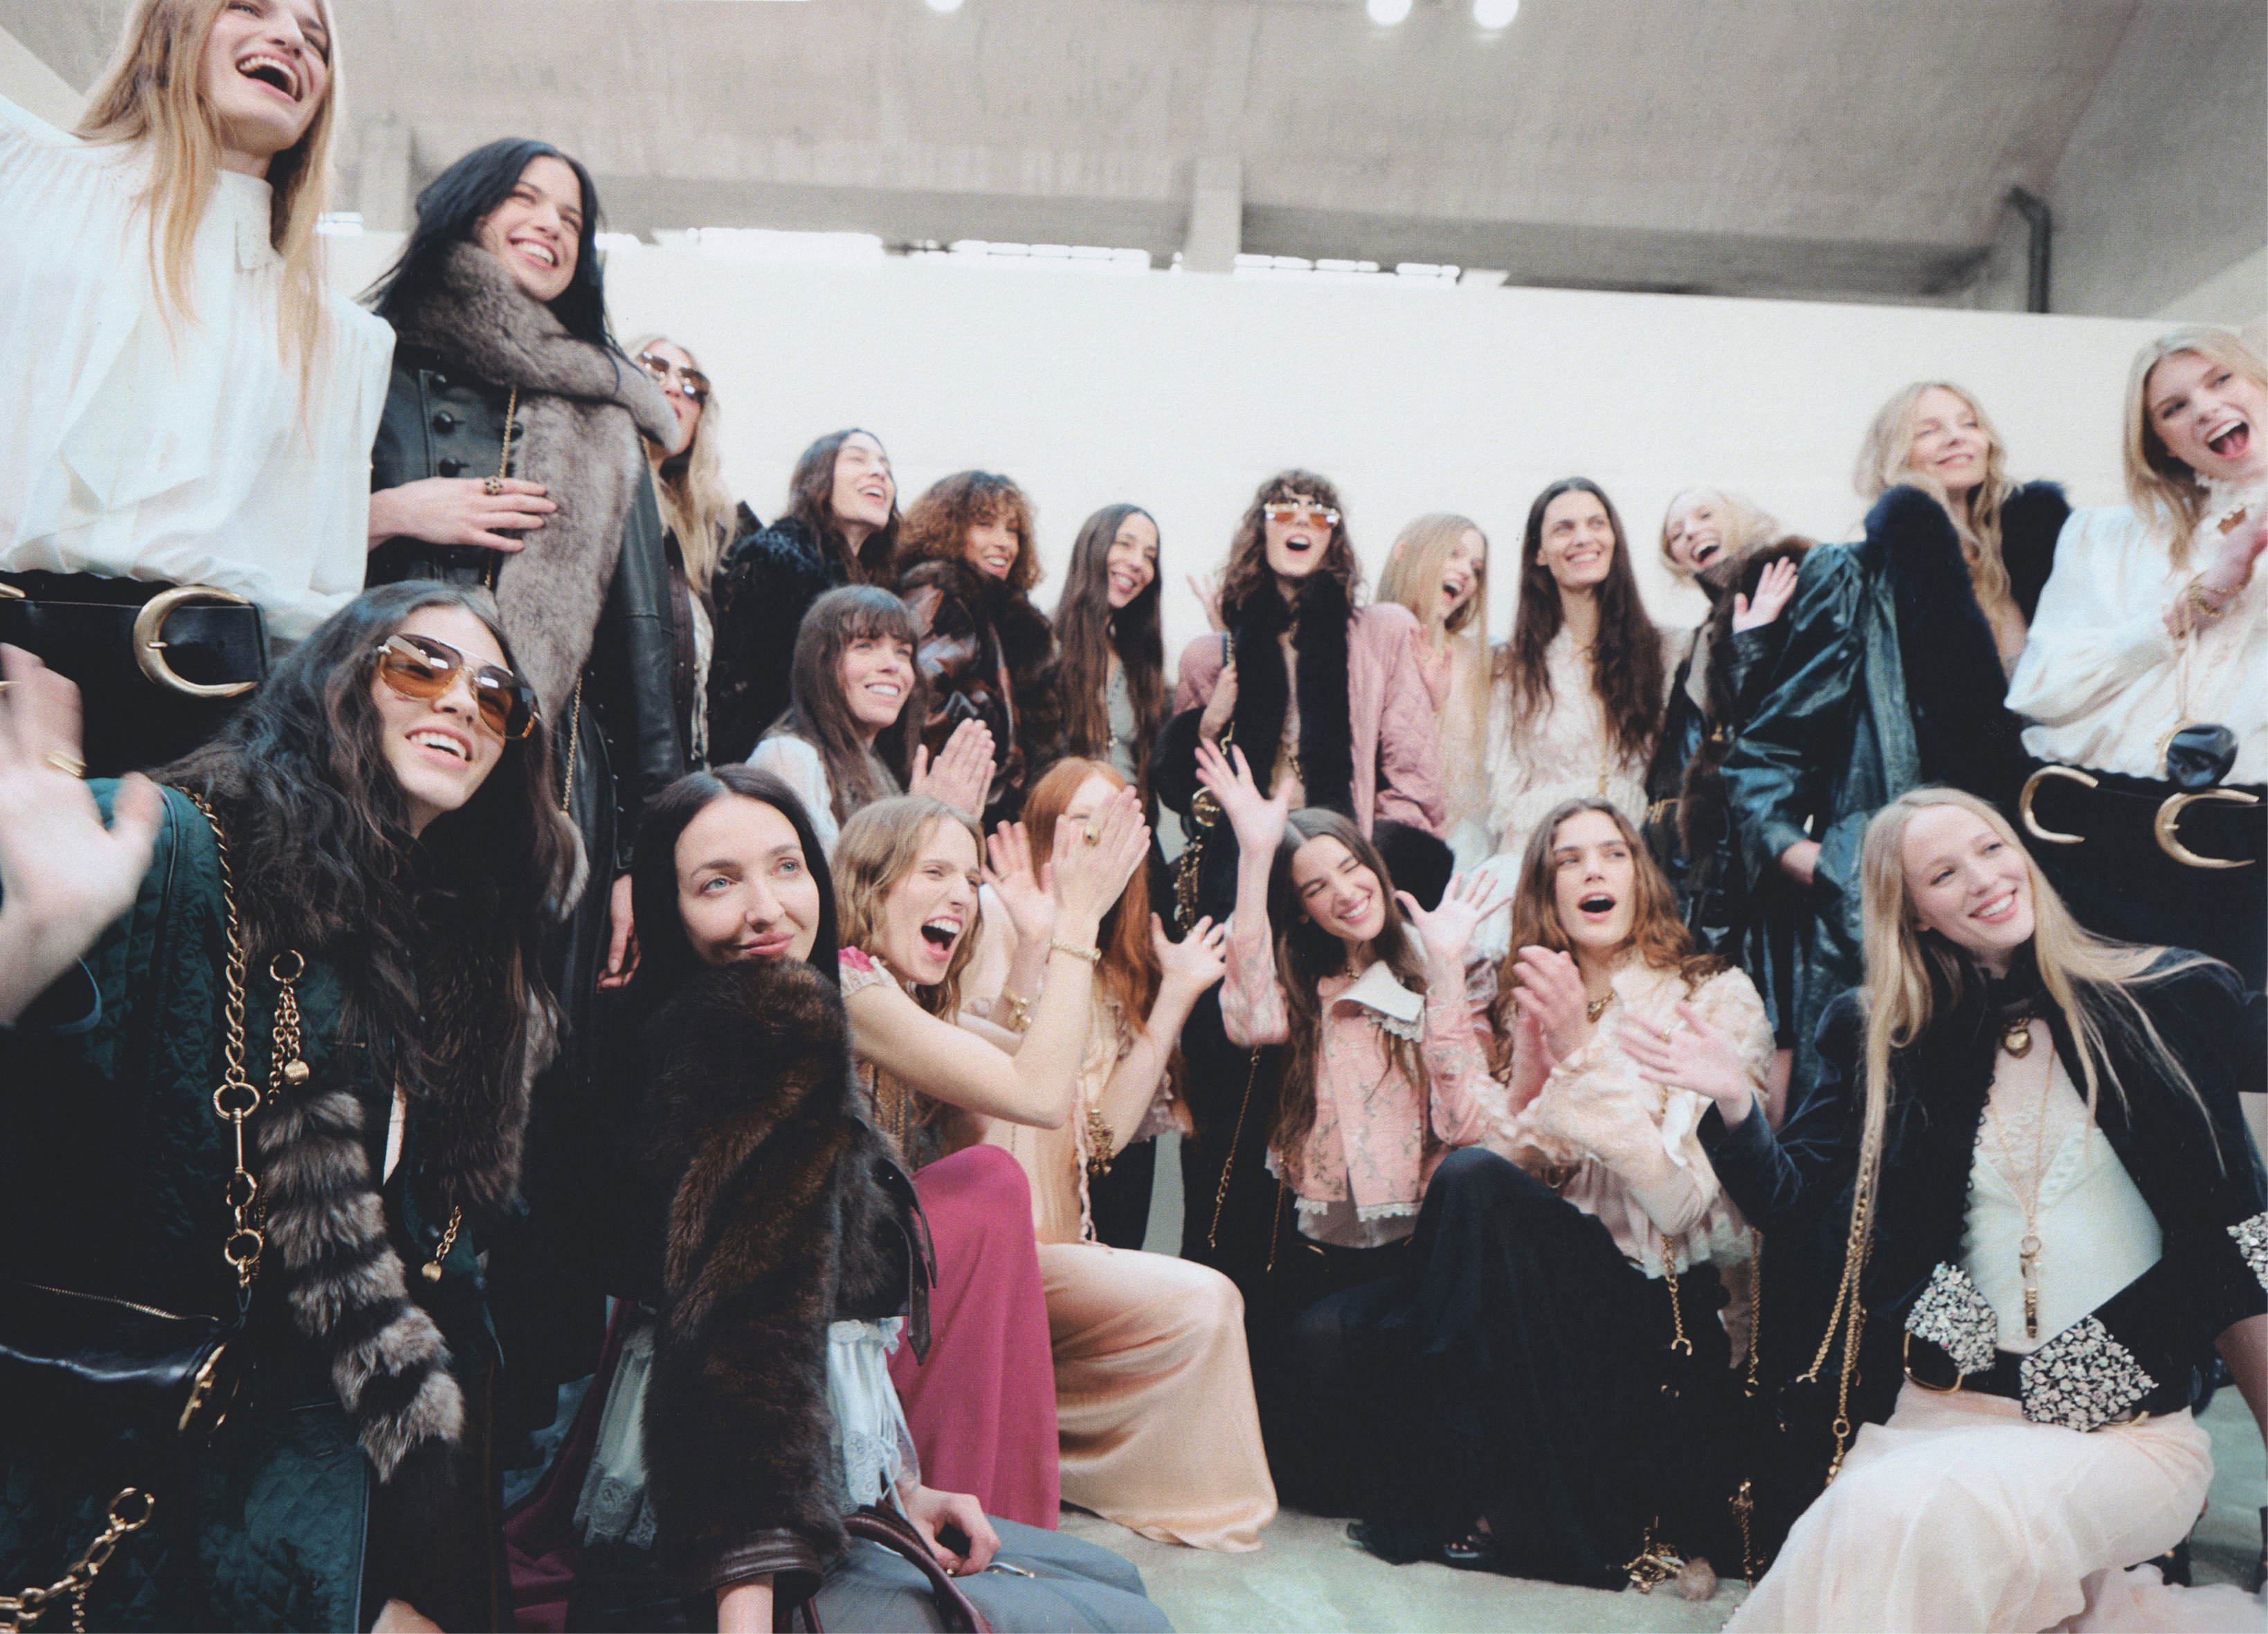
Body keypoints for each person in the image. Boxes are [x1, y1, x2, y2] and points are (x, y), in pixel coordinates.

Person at [0, 581, 577, 1631]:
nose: (461, 702)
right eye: (420, 665)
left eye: (497, 695)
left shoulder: (469, 978)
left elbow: (433, 1300)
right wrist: (29, 942)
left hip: (304, 1526)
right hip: (108, 1508)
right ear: (333, 681)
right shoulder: (176, 849)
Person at [554, 766, 1170, 1633]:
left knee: (1106, 1584)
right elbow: (742, 1364)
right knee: (1120, 1618)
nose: (765, 908)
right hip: (728, 1556)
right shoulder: (771, 1027)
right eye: (718, 884)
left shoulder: (783, 1005)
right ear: (669, 911)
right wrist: (1076, 921)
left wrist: (901, 1491)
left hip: (800, 1508)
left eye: (786, 867)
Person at [1654, 788, 2268, 1631]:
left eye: (1990, 848)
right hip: (1943, 1418)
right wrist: (1732, 1105)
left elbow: (2239, 1249)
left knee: (1921, 1520)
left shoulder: (2164, 998)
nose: (1983, 879)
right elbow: (1790, 1202)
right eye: (1944, 873)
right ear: (1914, 914)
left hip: (2120, 1430)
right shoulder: (1884, 1032)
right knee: (1861, 1527)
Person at [361, 135, 685, 1473]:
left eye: (574, 215)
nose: (548, 225)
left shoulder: (608, 423)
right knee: (347, 1060)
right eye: (522, 199)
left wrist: (645, 861)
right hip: (363, 770)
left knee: (514, 1095)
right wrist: (391, 508)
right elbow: (236, 536)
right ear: (461, 212)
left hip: (553, 805)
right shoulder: (364, 356)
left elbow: (645, 658)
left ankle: (476, 1448)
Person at [1309, 797, 1772, 1590]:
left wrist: (1581, 1055)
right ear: (1548, 891)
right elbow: (1486, 1158)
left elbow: (1687, 1210)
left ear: (1640, 877)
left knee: (1463, 1201)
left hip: (1658, 1301)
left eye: (1613, 853)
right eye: (1569, 860)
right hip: (1544, 1289)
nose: (1593, 870)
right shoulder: (1538, 994)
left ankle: (1471, 1497)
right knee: (1325, 1329)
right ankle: (1470, 1486)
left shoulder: (1712, 995)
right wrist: (1451, 977)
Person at [0, 0, 393, 775]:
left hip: (209, 724)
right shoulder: (20, 176)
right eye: (247, 7)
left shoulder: (343, 339)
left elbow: (313, 605)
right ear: (168, 24)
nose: (290, 39)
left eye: (315, 40)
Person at [1721, 384, 2068, 1098]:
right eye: (1928, 429)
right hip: (1902, 899)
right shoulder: (1849, 576)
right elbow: (1766, 755)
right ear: (1891, 455)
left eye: (1968, 421)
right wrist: (1821, 862)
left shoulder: (2041, 571)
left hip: (2036, 882)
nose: (1954, 437)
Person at [1153, 472, 1446, 1307]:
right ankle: (1222, 1345)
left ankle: (1328, 1337)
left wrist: (1349, 873)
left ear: (1335, 534)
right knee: (1229, 1140)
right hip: (1238, 913)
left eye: (1319, 513)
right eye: (1283, 511)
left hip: (1337, 913)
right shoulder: (1209, 655)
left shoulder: (1380, 633)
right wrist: (1210, 720)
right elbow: (1183, 794)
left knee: (1332, 1135)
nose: (1301, 524)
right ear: (1261, 528)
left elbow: (1416, 789)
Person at [972, 757, 1277, 1552]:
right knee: (1207, 1299)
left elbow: (1100, 1134)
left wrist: (1174, 997)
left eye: (1118, 823)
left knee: (1208, 1306)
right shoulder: (993, 913)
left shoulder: (1109, 969)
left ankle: (1084, 1469)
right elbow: (987, 1072)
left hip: (1064, 1242)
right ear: (1043, 834)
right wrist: (1037, 944)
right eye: (1081, 820)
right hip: (991, 1242)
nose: (1100, 836)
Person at [832, 790, 1149, 1526]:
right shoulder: (851, 981)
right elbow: (1037, 1095)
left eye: (972, 882)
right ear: (870, 882)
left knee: (987, 1180)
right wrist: (1078, 922)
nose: (961, 896)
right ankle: (981, 1494)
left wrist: (1044, 941)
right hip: (809, 1277)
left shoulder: (905, 1000)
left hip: (855, 1263)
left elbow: (1047, 1069)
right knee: (988, 1181)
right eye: (935, 872)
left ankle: (979, 1493)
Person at [1189, 742, 1507, 1473]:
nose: (1344, 892)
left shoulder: (1442, 962)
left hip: (1425, 1247)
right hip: (1321, 1247)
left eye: (1350, 868)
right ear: (1299, 912)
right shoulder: (1306, 986)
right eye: (1314, 887)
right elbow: (1247, 1021)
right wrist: (1256, 855)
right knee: (1306, 1440)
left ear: (1375, 864)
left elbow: (1466, 1125)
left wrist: (1449, 973)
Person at [2008, 327, 2268, 988]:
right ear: (2158, 440)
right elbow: (2042, 693)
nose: (2204, 408)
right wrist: (2202, 595)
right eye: (2172, 407)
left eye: (2219, 381)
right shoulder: (2107, 536)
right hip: (2099, 858)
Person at [1643, 490, 1808, 1120]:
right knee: (1745, 1012)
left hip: (1773, 842)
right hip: (1717, 856)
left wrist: (1754, 642)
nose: (1689, 535)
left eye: (1701, 517)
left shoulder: (1791, 579)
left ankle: (1780, 1180)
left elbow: (1778, 724)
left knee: (1782, 1011)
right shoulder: (1710, 627)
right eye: (1675, 531)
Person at [1485, 478, 1674, 884]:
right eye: (1563, 528)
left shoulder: (1666, 652)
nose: (1583, 538)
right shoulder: (1512, 668)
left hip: (1639, 863)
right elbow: (1503, 794)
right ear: (1539, 552)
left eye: (1596, 523)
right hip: (1545, 864)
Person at [747, 585, 995, 858]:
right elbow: (829, 891)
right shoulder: (788, 757)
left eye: (903, 652)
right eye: (864, 646)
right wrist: (925, 823)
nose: (892, 665)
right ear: (820, 663)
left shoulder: (880, 765)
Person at [707, 429, 900, 763]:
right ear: (818, 481)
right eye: (857, 458)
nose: (879, 472)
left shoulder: (878, 587)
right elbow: (743, 699)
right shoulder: (777, 561)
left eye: (886, 465)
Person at [894, 471, 1067, 830]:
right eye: (986, 525)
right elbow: (920, 701)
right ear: (950, 529)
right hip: (957, 807)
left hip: (988, 810)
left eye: (1012, 530)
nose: (1004, 542)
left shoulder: (1001, 608)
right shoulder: (940, 591)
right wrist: (997, 746)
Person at [627, 334, 748, 768]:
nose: (675, 387)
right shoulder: (601, 498)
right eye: (655, 369)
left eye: (692, 383)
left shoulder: (697, 537)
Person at [1377, 514, 1493, 869]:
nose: (1465, 572)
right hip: (1382, 841)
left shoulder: (1482, 660)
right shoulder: (1363, 638)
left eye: (1475, 567)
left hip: (1466, 851)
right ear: (1403, 553)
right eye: (1453, 554)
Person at [1053, 504, 1167, 814]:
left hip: (1129, 839)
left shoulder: (1140, 666)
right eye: (1125, 544)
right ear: (1093, 547)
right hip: (1062, 833)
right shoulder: (1042, 649)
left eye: (1149, 556)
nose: (1136, 563)